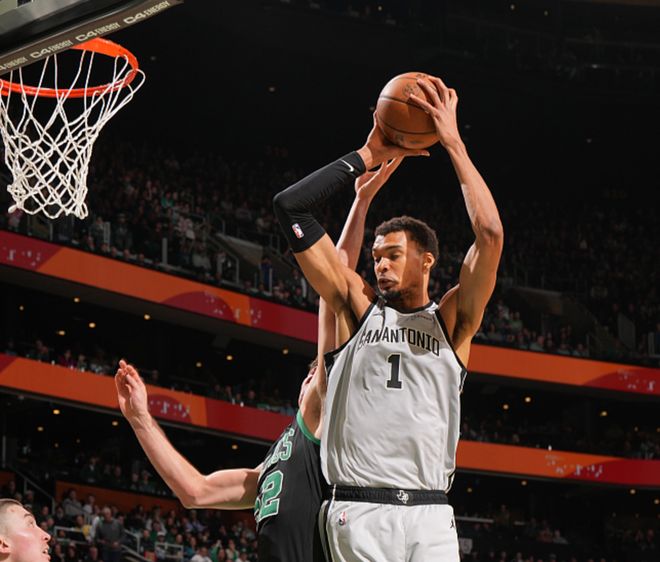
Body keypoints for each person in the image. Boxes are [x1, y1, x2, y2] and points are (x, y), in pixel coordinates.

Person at [115, 159, 401, 562]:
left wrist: (362, 202)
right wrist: (139, 418)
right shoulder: (275, 463)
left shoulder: (321, 414)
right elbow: (194, 491)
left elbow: (335, 280)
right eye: (316, 371)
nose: (319, 374)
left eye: (321, 371)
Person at [273, 76, 503, 561]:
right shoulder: (355, 310)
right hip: (359, 509)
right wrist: (367, 156)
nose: (379, 265)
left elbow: (490, 234)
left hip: (432, 514)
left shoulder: (453, 323)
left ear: (427, 261)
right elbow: (291, 207)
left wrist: (453, 143)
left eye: (393, 255)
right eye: (376, 257)